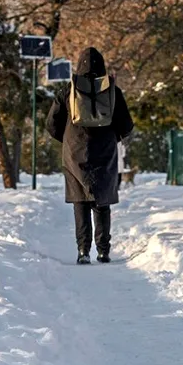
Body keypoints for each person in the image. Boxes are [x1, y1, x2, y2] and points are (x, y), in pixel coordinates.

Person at [46, 47, 134, 264]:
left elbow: (51, 124)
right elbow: (127, 125)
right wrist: (112, 139)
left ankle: (83, 251)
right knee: (102, 202)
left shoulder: (68, 91)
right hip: (104, 151)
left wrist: (67, 140)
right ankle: (104, 250)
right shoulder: (113, 90)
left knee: (80, 202)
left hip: (75, 152)